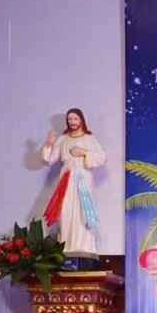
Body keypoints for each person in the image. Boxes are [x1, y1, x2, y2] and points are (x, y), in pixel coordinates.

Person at [42, 108, 105, 257]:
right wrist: (49, 145)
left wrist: (84, 152)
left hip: (83, 175)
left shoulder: (90, 138)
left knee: (83, 210)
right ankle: (67, 244)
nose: (72, 122)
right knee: (66, 209)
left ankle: (84, 245)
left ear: (81, 119)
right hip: (67, 177)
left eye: (75, 118)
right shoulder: (62, 139)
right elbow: (50, 160)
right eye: (70, 119)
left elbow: (101, 157)